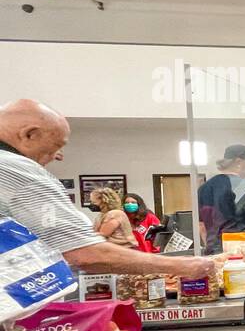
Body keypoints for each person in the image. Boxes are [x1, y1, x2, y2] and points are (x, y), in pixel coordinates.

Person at [0, 99, 217, 281]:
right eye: (56, 146)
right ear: (30, 134)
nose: (59, 156)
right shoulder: (15, 168)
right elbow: (84, 253)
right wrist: (182, 266)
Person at [197, 144, 245, 252]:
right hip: (241, 252)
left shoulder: (204, 188)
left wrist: (212, 247)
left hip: (214, 251)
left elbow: (201, 225)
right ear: (239, 162)